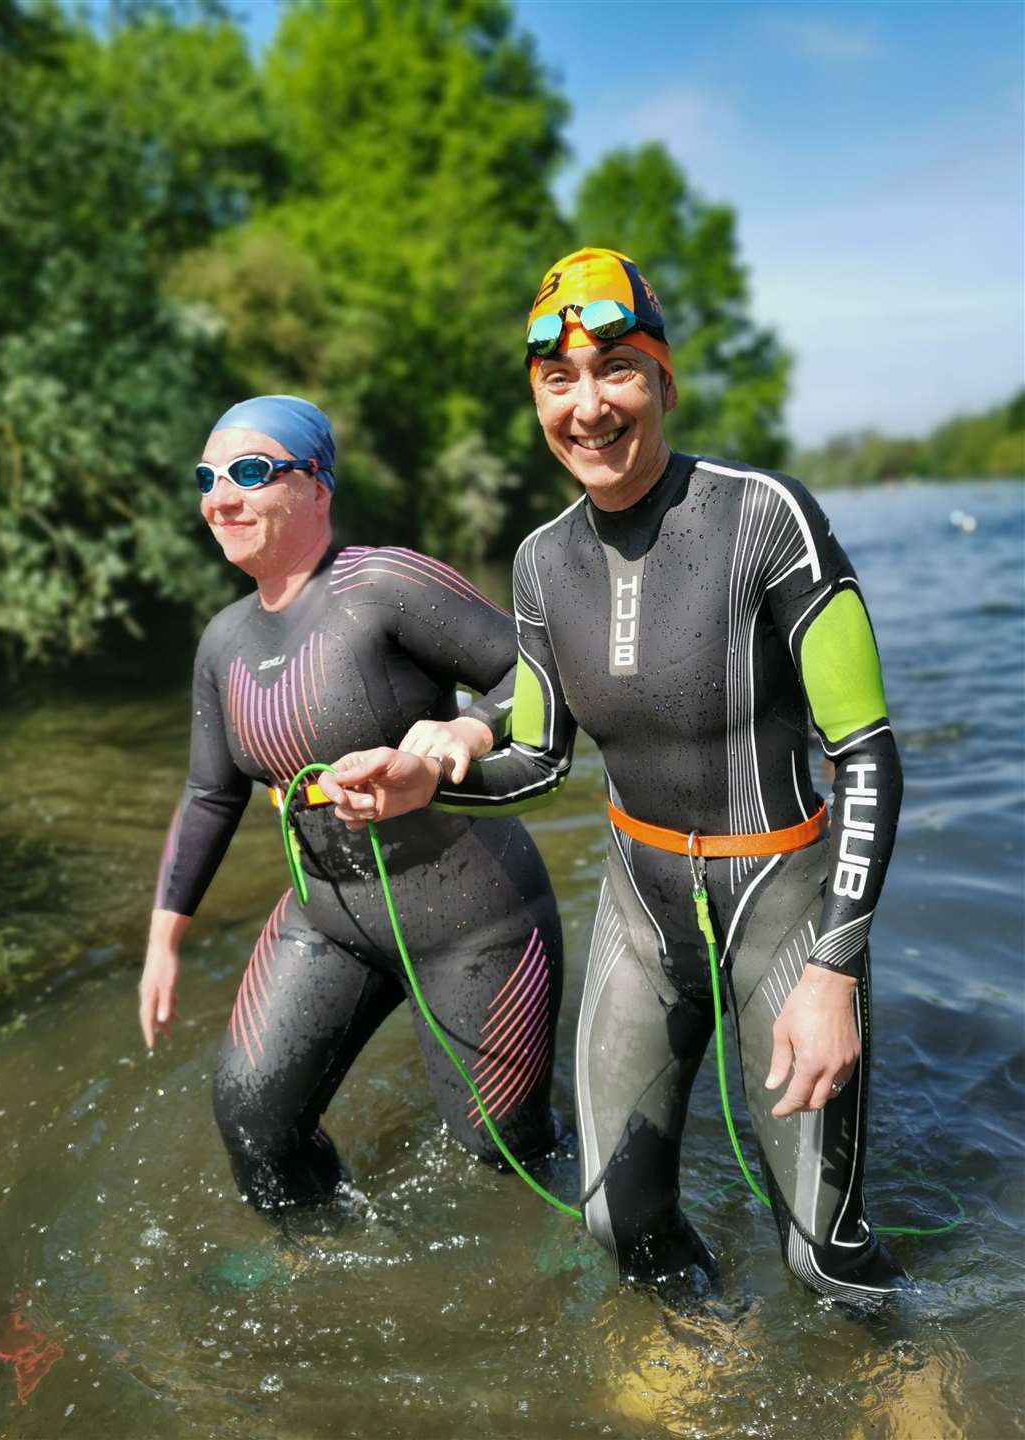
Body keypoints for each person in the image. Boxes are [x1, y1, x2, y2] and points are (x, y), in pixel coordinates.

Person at [319, 249, 908, 1302]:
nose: (588, 406)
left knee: (823, 1251)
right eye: (559, 379)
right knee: (613, 1214)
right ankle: (698, 1350)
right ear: (536, 399)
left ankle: (905, 1373)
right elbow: (538, 757)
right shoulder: (543, 563)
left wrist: (834, 973)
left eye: (617, 369)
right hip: (644, 907)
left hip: (785, 907)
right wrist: (426, 781)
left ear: (664, 382)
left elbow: (864, 751)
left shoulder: (767, 516)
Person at [139, 394, 563, 1214]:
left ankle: (560, 1287)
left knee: (501, 1155)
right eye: (208, 477)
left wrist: (462, 731)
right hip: (327, 916)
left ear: (318, 483)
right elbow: (208, 793)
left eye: (252, 471)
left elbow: (534, 669)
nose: (221, 497)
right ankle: (325, 1266)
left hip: (475, 917)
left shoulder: (386, 584)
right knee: (254, 1120)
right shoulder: (222, 643)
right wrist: (164, 941)